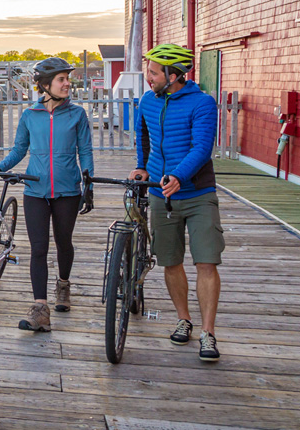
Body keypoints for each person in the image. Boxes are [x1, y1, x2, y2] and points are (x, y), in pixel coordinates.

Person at [129, 44, 223, 362]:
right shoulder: (147, 101)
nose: (148, 77)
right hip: (159, 193)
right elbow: (142, 134)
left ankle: (208, 333)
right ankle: (184, 319)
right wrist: (143, 166)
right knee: (170, 261)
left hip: (197, 194)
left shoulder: (202, 103)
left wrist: (179, 176)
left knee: (206, 261)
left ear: (173, 75)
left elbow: (202, 148)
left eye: (154, 72)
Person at [0, 57, 94, 333]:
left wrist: (89, 184)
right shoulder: (30, 116)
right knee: (38, 248)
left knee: (64, 242)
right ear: (45, 85)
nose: (67, 83)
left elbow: (85, 151)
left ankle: (63, 285)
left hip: (67, 191)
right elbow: (19, 150)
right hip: (35, 190)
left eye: (67, 78)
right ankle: (40, 309)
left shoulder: (77, 115)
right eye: (61, 79)